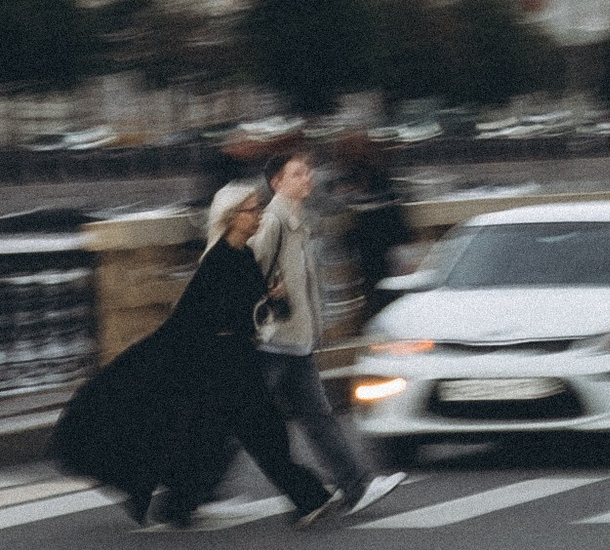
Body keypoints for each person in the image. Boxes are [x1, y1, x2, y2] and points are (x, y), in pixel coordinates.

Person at [54, 180, 336, 529]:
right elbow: (213, 319)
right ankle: (309, 497)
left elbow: (255, 313)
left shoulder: (242, 256)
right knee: (261, 433)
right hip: (221, 363)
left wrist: (274, 298)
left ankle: (178, 505)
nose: (260, 215)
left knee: (213, 437)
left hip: (229, 359)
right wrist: (266, 302)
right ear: (233, 217)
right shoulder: (218, 262)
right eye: (253, 210)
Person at [253, 144, 377, 519]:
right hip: (271, 345)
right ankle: (188, 491)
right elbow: (246, 270)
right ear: (276, 183)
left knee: (318, 419)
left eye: (308, 173)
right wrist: (268, 292)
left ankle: (354, 487)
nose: (308, 179)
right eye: (297, 174)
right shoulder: (273, 223)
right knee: (247, 426)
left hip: (296, 343)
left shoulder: (298, 221)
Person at [336, 133, 409, 321]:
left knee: (376, 292)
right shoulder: (380, 176)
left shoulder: (359, 178)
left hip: (371, 248)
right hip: (384, 246)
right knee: (387, 292)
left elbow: (361, 215)